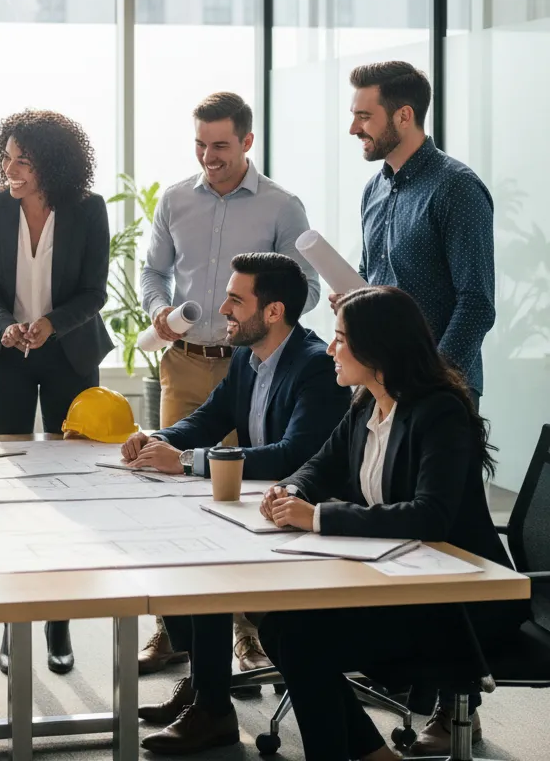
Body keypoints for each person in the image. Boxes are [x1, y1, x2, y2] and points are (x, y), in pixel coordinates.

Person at [257, 286, 527, 761]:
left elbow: (430, 515)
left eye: (341, 339)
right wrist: (292, 491)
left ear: (377, 347)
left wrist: (317, 517)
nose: (331, 349)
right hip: (398, 581)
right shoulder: (368, 403)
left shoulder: (438, 412)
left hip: (457, 602)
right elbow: (321, 466)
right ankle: (372, 755)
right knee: (279, 626)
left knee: (301, 638)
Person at [123, 254, 350, 754]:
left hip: (305, 516)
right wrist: (158, 439)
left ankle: (212, 707)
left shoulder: (315, 364)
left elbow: (294, 454)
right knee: (184, 543)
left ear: (273, 311)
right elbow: (208, 418)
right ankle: (205, 691)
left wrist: (187, 463)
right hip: (258, 505)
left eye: (235, 300)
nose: (222, 308)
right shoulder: (247, 358)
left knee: (208, 565)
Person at [137, 91, 320, 672]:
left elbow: (307, 288)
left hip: (254, 359)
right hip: (187, 360)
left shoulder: (281, 206)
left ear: (246, 141)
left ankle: (248, 630)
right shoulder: (175, 200)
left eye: (219, 145)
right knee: (170, 485)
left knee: (239, 495)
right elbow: (152, 272)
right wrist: (159, 311)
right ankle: (172, 629)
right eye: (200, 144)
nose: (208, 156)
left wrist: (266, 323)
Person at [0, 108, 113, 676]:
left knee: (69, 489)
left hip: (69, 354)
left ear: (52, 165)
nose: (10, 169)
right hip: (5, 353)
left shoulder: (88, 208)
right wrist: (5, 324)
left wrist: (51, 324)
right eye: (6, 157)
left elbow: (95, 291)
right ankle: (14, 618)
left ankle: (58, 620)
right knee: (11, 489)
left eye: (23, 161)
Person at [341, 61, 495, 403]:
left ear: (404, 116)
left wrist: (433, 380)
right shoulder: (373, 189)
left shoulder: (457, 187)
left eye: (364, 117)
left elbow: (477, 304)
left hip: (438, 390)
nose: (353, 129)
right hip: (377, 381)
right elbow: (372, 274)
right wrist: (352, 299)